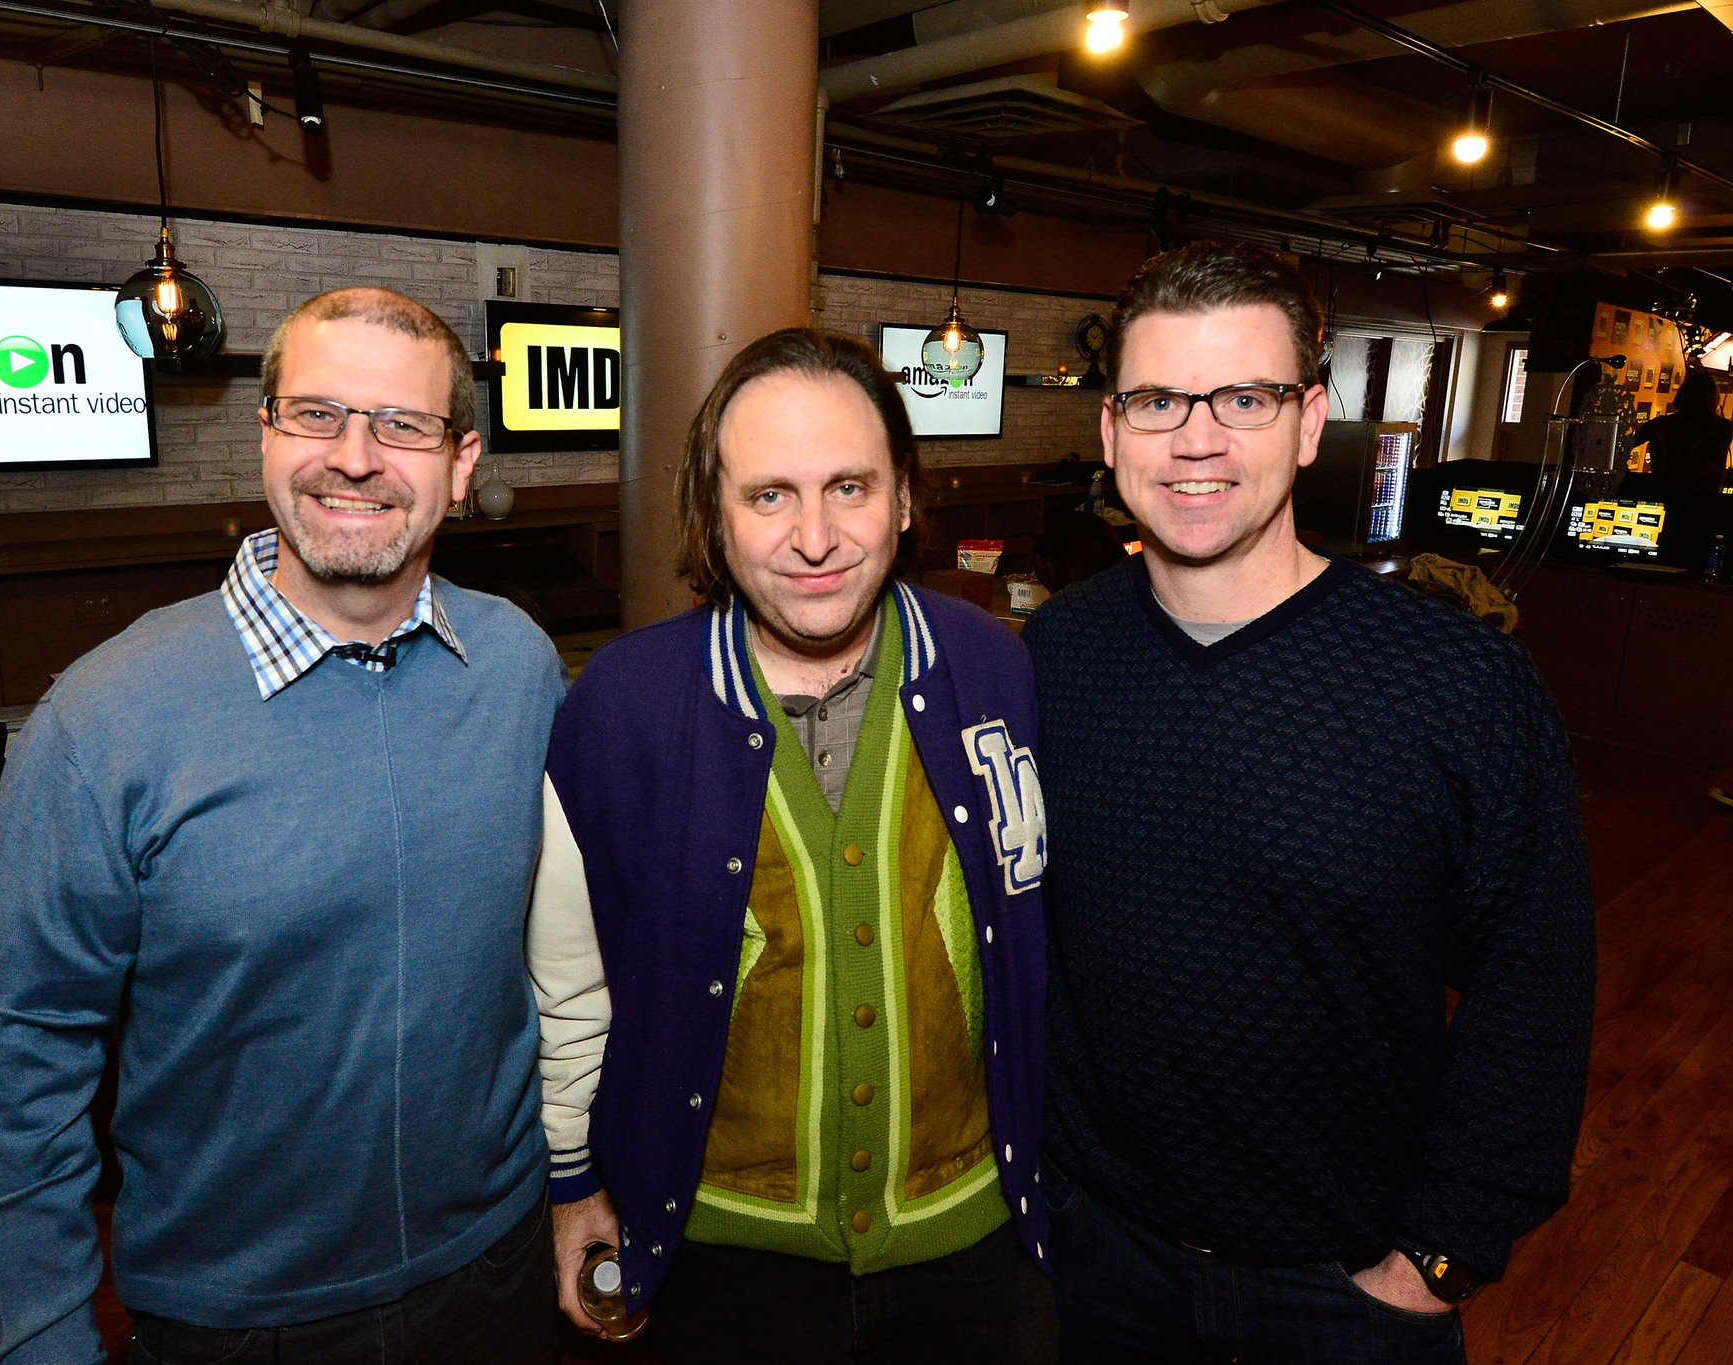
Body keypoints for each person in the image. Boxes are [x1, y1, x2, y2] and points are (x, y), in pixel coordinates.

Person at [0, 287, 567, 1365]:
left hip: (498, 1270)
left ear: (460, 466)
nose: (355, 457)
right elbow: (25, 1047)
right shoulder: (105, 718)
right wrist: (43, 1331)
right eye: (317, 414)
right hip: (237, 1317)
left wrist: (576, 1182)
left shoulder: (518, 666)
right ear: (265, 435)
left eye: (403, 426)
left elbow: (567, 958)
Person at [1021, 242, 1596, 1365]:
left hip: (1343, 1293)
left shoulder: (1455, 684)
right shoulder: (1052, 654)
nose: (1195, 438)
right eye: (1154, 400)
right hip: (1089, 1259)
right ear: (1108, 430)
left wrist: (1437, 1259)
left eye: (1242, 396)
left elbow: (1532, 991)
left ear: (1306, 418)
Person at [531, 329, 1057, 1364]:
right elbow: (570, 979)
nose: (813, 537)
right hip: (718, 1255)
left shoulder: (994, 668)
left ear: (904, 498)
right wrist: (571, 1182)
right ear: (714, 518)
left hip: (972, 1243)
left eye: (849, 488)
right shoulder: (622, 707)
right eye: (768, 495)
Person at [1639, 369, 1731, 569]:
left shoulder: (1660, 424)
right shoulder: (1721, 427)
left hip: (1661, 499)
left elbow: (1621, 445)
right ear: (1712, 397)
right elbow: (1713, 468)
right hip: (1702, 505)